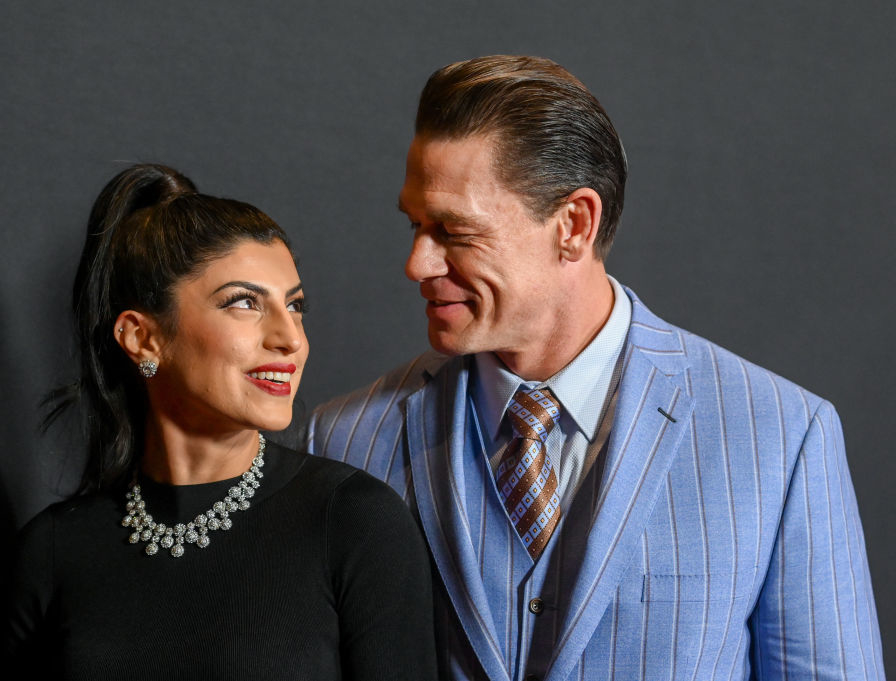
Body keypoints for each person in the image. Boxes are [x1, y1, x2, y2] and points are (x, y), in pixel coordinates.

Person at [307, 56, 884, 680]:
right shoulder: (343, 441)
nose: (417, 264)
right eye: (416, 226)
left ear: (574, 225)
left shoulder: (782, 435)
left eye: (455, 232)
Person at [8, 163, 437, 680]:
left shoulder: (353, 523)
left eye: (295, 306)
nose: (290, 338)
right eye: (244, 302)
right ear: (143, 338)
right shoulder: (55, 550)